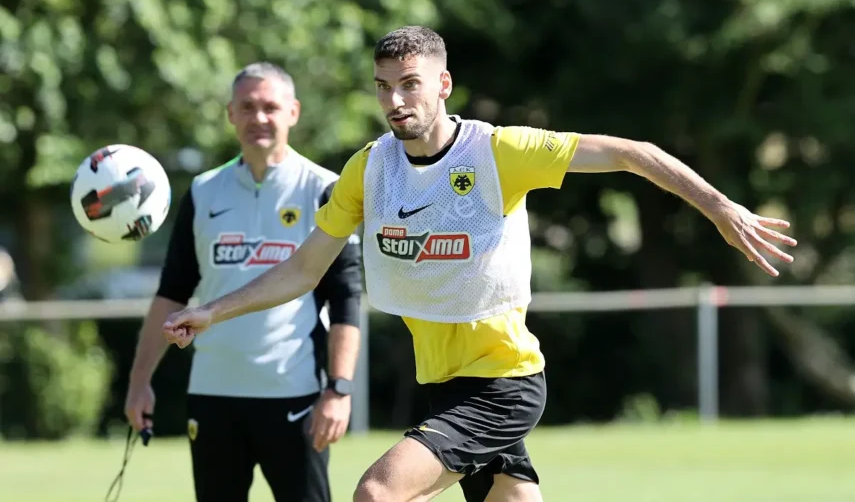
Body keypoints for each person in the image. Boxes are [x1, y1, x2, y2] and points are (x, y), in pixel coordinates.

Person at [160, 27, 797, 502]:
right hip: (443, 382)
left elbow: (632, 152)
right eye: (384, 86)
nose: (395, 100)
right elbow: (303, 271)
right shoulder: (369, 169)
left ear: (442, 84)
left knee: (377, 493)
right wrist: (212, 310)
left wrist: (721, 208)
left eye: (410, 84)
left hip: (503, 381)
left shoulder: (498, 153)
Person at [124, 62, 363, 502]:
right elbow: (171, 292)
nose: (259, 118)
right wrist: (140, 381)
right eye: (248, 107)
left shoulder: (325, 189)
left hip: (294, 395)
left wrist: (339, 389)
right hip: (212, 394)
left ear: (293, 112)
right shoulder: (202, 191)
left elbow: (346, 299)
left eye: (270, 107)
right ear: (230, 113)